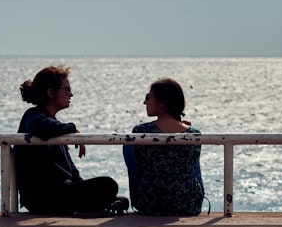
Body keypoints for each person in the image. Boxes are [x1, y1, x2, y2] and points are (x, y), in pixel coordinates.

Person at [15, 66, 126, 216]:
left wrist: (81, 184)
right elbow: (40, 126)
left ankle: (91, 207)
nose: (71, 94)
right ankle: (89, 208)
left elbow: (70, 170)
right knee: (108, 185)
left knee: (119, 197)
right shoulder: (33, 116)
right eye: (67, 90)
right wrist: (72, 129)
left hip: (62, 192)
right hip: (43, 197)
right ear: (51, 92)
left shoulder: (56, 126)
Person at [123, 78, 205, 216]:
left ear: (162, 103)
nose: (145, 102)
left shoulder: (141, 132)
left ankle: (138, 195)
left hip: (150, 202)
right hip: (187, 203)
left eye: (148, 97)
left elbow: (138, 167)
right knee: (190, 159)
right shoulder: (194, 133)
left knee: (128, 145)